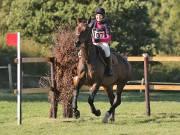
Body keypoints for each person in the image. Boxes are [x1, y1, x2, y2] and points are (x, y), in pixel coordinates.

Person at [89, 7, 113, 76]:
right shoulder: (92, 23)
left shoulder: (106, 25)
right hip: (93, 43)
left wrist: (100, 40)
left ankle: (109, 69)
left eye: (100, 16)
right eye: (97, 16)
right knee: (81, 52)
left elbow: (109, 37)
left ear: (103, 17)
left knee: (107, 52)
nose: (98, 17)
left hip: (103, 43)